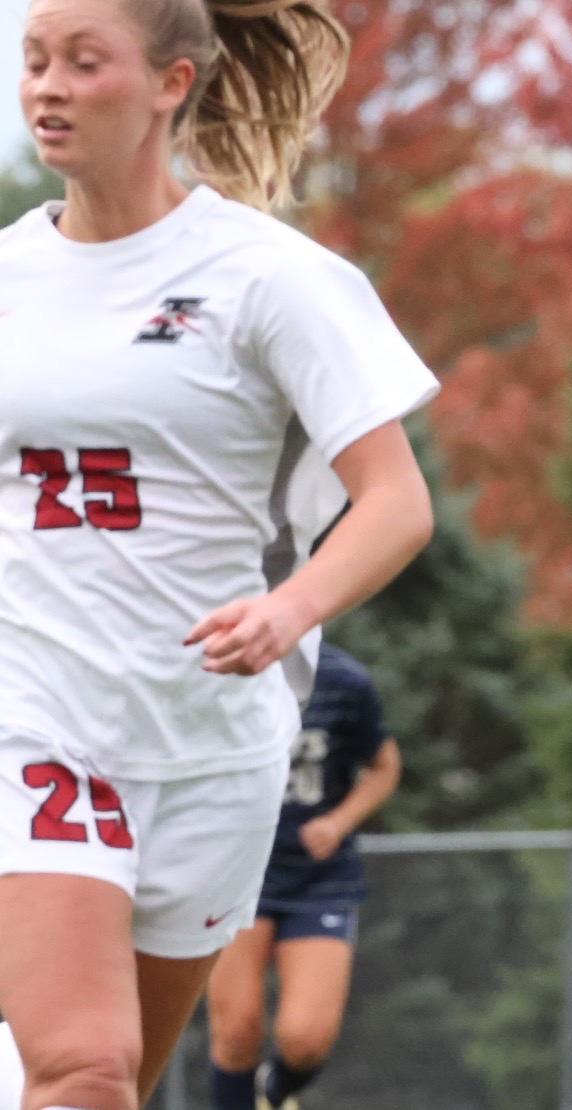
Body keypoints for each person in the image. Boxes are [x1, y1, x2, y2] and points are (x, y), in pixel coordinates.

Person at [0, 0, 438, 1107]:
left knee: (120, 1082)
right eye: (34, 60)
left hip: (214, 745)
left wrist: (290, 610)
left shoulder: (269, 278)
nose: (47, 86)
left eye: (82, 62)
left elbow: (394, 504)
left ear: (169, 81)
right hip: (35, 717)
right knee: (84, 1068)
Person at [204, 641, 400, 1110]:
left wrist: (338, 822)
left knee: (305, 1038)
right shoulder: (215, 671)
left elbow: (384, 766)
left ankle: (273, 1093)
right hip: (237, 871)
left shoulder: (342, 680)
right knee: (235, 1029)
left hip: (319, 881)